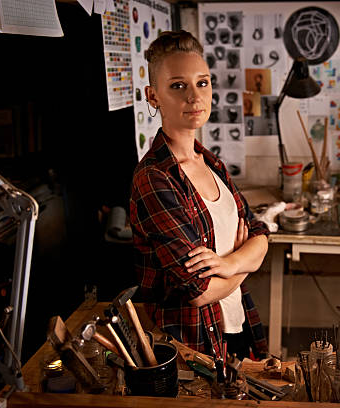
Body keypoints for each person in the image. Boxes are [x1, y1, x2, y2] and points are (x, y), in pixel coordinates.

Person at [130, 30, 269, 360]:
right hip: (191, 345)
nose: (194, 96)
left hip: (237, 325)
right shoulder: (155, 178)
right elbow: (199, 291)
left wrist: (226, 262)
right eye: (178, 86)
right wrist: (248, 263)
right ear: (153, 96)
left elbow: (261, 233)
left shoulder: (211, 162)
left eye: (202, 83)